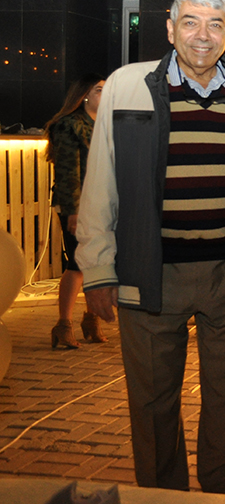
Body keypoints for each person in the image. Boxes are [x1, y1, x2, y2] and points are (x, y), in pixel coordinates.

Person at [76, 0, 225, 494]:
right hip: (148, 272)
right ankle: (161, 496)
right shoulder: (127, 85)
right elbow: (101, 183)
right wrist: (98, 269)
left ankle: (223, 492)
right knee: (152, 403)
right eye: (190, 22)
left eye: (214, 24)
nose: (202, 35)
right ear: (169, 29)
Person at [46, 73, 107, 348]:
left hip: (101, 204)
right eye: (99, 90)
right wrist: (74, 211)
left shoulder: (104, 124)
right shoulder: (69, 125)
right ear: (84, 96)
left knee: (97, 262)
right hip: (78, 205)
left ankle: (91, 319)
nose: (104, 94)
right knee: (78, 263)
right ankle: (64, 324)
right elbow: (68, 172)